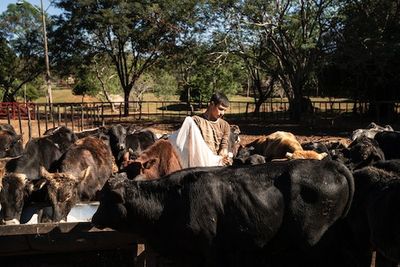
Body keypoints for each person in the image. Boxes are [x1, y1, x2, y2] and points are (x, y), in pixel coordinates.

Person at [168, 92, 232, 168]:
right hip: (198, 165)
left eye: (225, 110)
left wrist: (224, 155)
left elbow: (223, 147)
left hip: (216, 166)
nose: (222, 113)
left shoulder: (225, 125)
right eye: (220, 109)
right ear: (212, 104)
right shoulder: (196, 121)